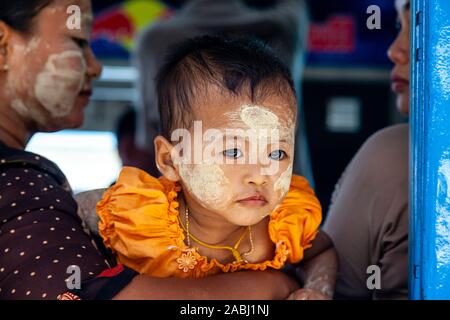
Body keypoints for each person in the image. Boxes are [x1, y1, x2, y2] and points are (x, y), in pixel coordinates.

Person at [0, 0, 320, 300]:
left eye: (277, 153)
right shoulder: (124, 213)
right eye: (79, 42)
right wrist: (270, 286)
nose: (96, 67)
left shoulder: (283, 224)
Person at [74, 35, 337, 300]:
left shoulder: (285, 224)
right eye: (233, 151)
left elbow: (322, 252)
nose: (260, 174)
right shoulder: (138, 214)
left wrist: (316, 289)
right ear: (171, 160)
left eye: (277, 152)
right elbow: (66, 210)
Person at [134, 0, 314, 184]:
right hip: (286, 195)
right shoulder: (283, 27)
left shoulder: (154, 41)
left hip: (187, 199)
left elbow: (147, 138)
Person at [322, 0, 410, 299]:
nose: (394, 50)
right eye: (400, 27)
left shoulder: (394, 153)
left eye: (420, 26)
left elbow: (331, 288)